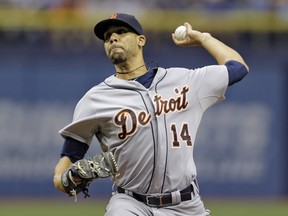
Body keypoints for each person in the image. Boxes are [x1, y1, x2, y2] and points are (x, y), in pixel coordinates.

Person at [53, 13, 249, 216]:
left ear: (141, 40)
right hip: (129, 203)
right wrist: (65, 179)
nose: (112, 38)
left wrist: (203, 38)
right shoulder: (95, 99)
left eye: (121, 32)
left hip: (185, 205)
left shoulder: (184, 81)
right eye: (107, 37)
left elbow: (238, 67)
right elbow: (64, 165)